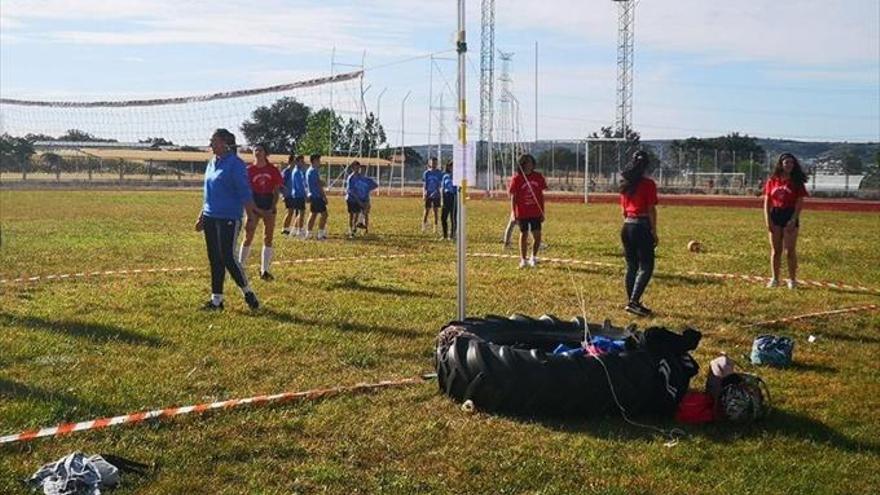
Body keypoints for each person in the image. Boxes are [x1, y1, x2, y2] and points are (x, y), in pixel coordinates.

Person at [194, 129, 259, 310]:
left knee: (227, 256)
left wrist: (250, 217)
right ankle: (217, 300)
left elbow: (244, 191)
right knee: (214, 258)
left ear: (225, 143)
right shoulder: (212, 163)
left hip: (228, 217)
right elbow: (208, 193)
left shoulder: (236, 164)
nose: (211, 144)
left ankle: (248, 292)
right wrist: (201, 216)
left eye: (214, 141)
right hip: (210, 216)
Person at [619, 150, 658, 317]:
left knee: (631, 266)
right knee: (646, 266)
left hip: (627, 226)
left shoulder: (625, 184)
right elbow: (651, 209)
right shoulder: (648, 184)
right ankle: (634, 302)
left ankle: (631, 302)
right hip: (641, 226)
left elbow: (623, 211)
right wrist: (654, 231)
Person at [763, 152, 808, 289]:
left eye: (791, 163)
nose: (789, 165)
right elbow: (767, 201)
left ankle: (792, 280)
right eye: (786, 162)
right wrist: (768, 220)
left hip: (789, 215)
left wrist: (793, 219)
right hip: (775, 214)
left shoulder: (796, 182)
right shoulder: (772, 180)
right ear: (781, 164)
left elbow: (799, 203)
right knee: (776, 251)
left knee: (790, 250)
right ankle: (775, 279)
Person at [238, 144, 283, 280]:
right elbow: (246, 192)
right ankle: (240, 268)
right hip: (254, 204)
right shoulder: (249, 170)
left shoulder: (273, 170)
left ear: (265, 153)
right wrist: (254, 209)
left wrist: (271, 207)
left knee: (268, 237)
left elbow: (276, 191)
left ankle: (265, 270)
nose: (257, 152)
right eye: (255, 150)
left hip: (268, 203)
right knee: (248, 235)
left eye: (260, 150)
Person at [508, 154, 547, 269]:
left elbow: (541, 195)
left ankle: (533, 257)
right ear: (522, 164)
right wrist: (514, 213)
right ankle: (523, 260)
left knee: (537, 235)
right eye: (526, 162)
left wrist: (542, 212)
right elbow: (513, 197)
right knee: (523, 234)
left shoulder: (538, 176)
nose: (529, 165)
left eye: (531, 162)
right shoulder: (517, 178)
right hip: (522, 212)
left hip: (535, 212)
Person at [344, 160, 378, 237]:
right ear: (352, 168)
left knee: (357, 214)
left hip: (360, 199)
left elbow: (373, 184)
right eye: (355, 167)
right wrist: (359, 201)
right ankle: (351, 229)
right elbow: (351, 191)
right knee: (352, 215)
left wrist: (368, 188)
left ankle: (356, 228)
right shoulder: (351, 178)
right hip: (351, 199)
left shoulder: (362, 177)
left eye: (358, 167)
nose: (357, 168)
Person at [281, 154, 307, 237]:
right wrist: (283, 194)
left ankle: (294, 229)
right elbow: (281, 184)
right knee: (290, 212)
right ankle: (285, 228)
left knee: (296, 213)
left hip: (294, 195)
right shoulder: (287, 171)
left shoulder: (296, 171)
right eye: (293, 161)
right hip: (289, 195)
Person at [305, 153, 329, 240]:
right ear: (314, 161)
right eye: (318, 160)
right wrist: (324, 197)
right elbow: (319, 185)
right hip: (317, 196)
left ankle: (309, 233)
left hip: (312, 195)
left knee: (313, 214)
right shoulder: (314, 171)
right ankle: (320, 234)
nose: (319, 162)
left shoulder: (309, 171)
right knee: (324, 214)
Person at [422, 158, 444, 233]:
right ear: (429, 163)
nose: (433, 164)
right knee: (426, 210)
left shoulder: (439, 173)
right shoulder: (426, 173)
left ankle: (435, 227)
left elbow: (440, 184)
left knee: (435, 211)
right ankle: (424, 226)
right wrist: (424, 193)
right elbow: (425, 184)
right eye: (432, 163)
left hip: (436, 194)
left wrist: (437, 191)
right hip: (428, 193)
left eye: (435, 163)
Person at [440, 161, 458, 240]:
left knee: (453, 217)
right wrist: (442, 199)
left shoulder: (457, 177)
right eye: (450, 166)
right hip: (446, 197)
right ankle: (445, 235)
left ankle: (452, 235)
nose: (452, 168)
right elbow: (443, 188)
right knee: (443, 217)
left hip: (453, 197)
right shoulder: (445, 176)